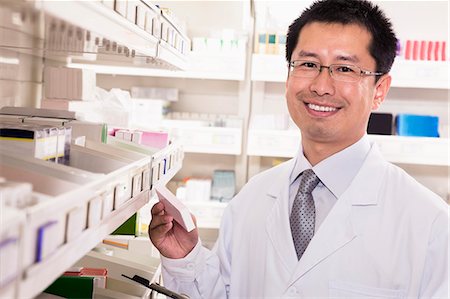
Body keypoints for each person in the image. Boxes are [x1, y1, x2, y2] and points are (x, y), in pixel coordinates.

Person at [149, 0, 449, 297]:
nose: (321, 86)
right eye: (307, 64)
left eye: (344, 68)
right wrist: (186, 258)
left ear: (379, 90)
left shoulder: (430, 224)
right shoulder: (251, 199)